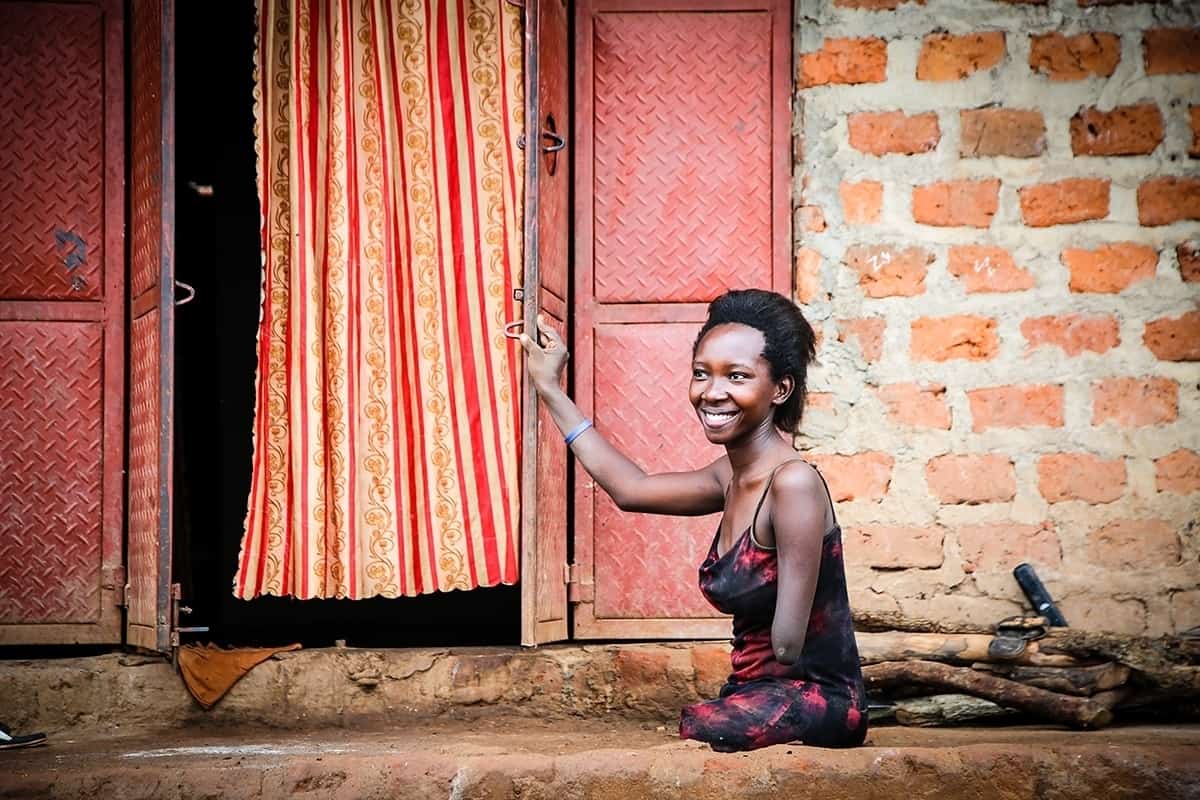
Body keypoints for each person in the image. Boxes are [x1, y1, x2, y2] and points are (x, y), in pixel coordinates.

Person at [519, 288, 867, 752]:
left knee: (701, 727)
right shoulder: (731, 474)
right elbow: (632, 490)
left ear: (780, 388)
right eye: (701, 374)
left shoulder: (793, 484)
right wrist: (550, 388)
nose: (712, 392)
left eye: (737, 376)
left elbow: (787, 647)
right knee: (703, 723)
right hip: (753, 693)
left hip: (820, 701)